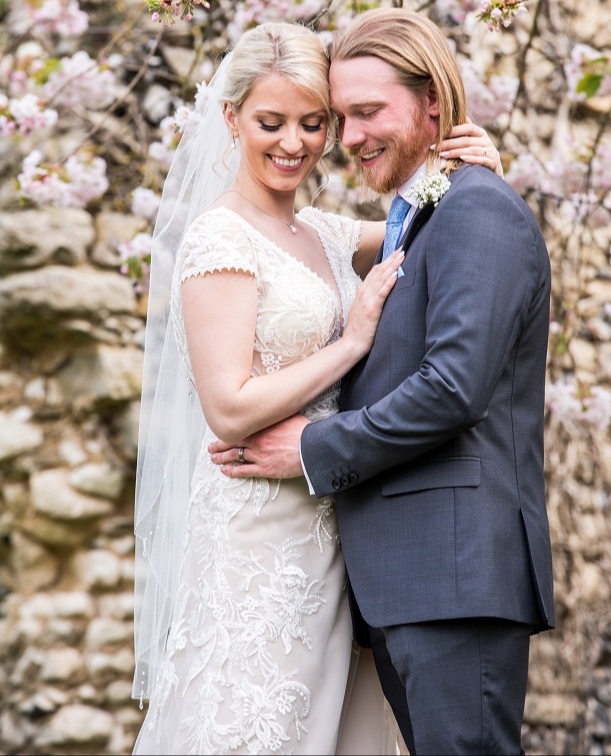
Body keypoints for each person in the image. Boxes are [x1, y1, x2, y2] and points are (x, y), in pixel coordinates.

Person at [132, 19, 503, 756]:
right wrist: (351, 344)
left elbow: (426, 218)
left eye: (312, 123)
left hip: (333, 530)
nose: (293, 143)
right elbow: (229, 407)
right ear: (231, 117)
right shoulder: (219, 238)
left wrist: (475, 168)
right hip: (256, 530)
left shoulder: (325, 234)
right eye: (270, 122)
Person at [210, 9, 555, 756]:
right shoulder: (418, 216)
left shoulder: (477, 210)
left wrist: (312, 447)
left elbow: (453, 388)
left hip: (455, 577)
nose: (351, 136)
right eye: (342, 118)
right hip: (403, 582)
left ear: (433, 101)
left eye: (369, 111)